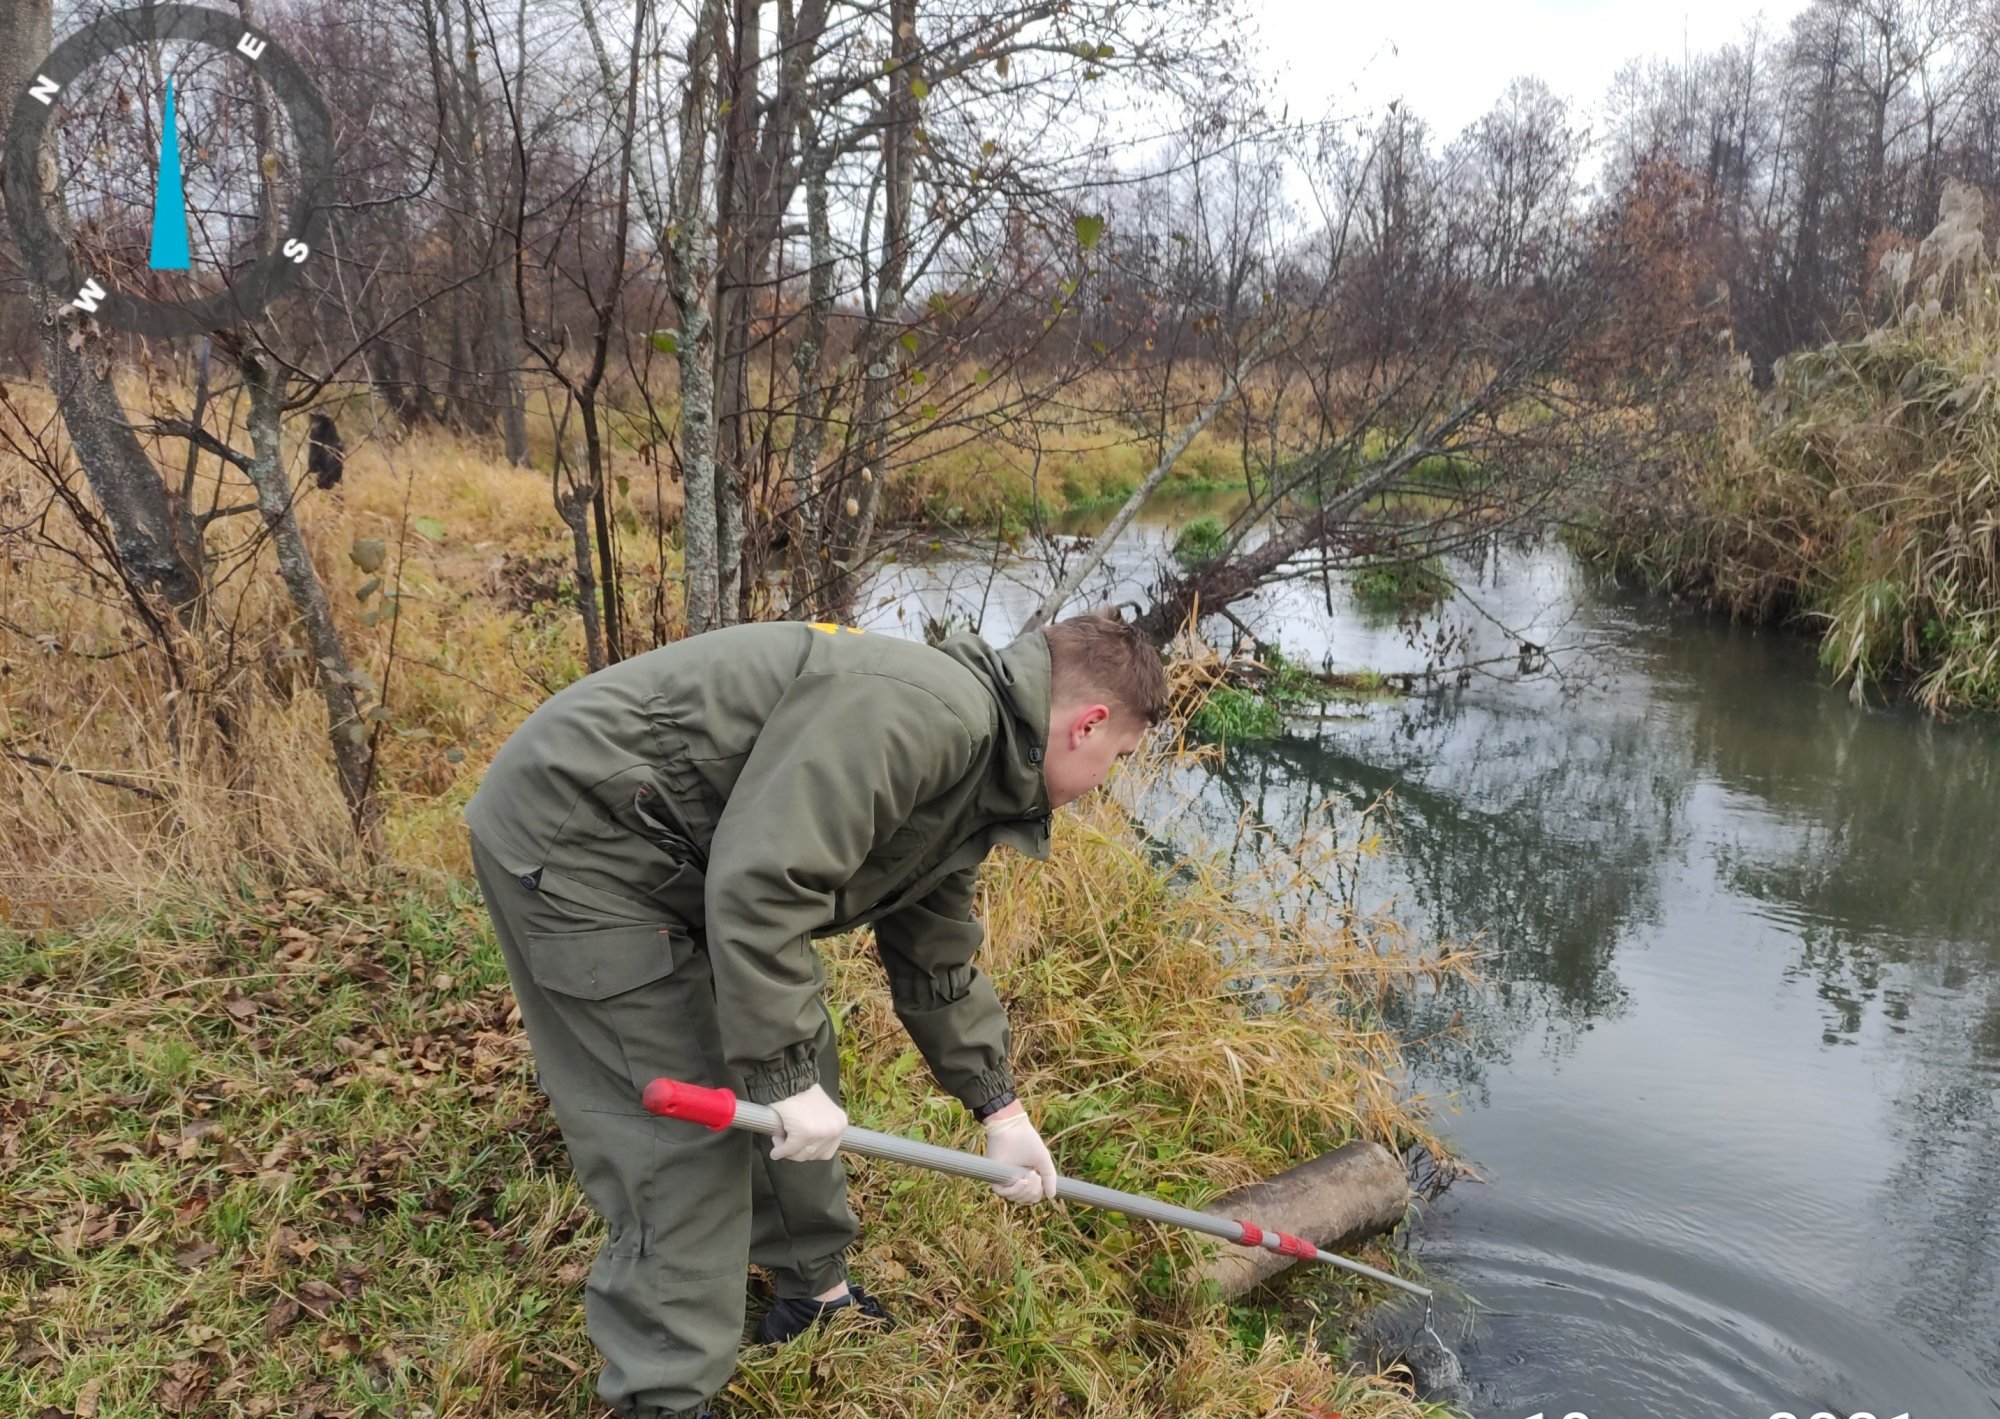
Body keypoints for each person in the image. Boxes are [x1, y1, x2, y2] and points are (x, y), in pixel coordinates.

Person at [463, 609, 1170, 1419]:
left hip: (682, 855)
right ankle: (663, 1399)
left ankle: (812, 1290)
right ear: (1087, 724)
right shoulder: (929, 714)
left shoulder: (979, 768)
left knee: (793, 1063)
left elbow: (934, 953)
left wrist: (998, 1105)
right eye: (1115, 761)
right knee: (689, 1144)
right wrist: (781, 1074)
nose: (1103, 784)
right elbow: (763, 882)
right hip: (586, 836)